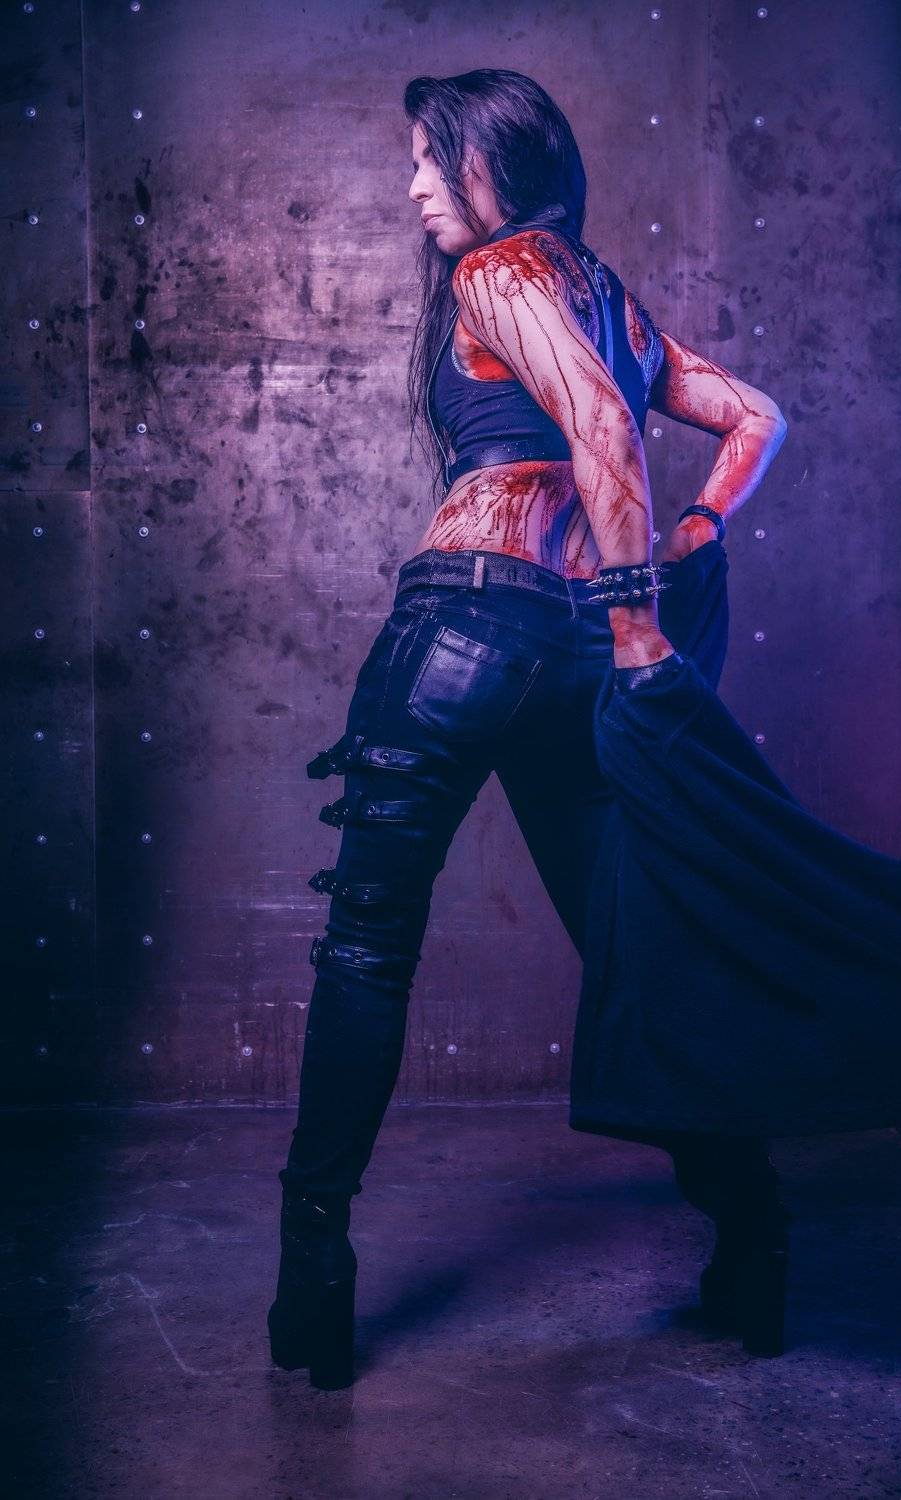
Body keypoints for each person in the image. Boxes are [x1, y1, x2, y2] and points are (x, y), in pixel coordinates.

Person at [268, 68, 794, 1390]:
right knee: (632, 946)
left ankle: (312, 1271)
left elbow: (603, 420)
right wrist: (697, 525)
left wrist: (640, 621)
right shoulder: (608, 298)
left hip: (466, 626)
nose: (413, 186)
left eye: (431, 159)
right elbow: (755, 417)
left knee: (368, 945)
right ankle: (752, 1234)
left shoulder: (499, 273)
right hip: (568, 659)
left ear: (498, 162)